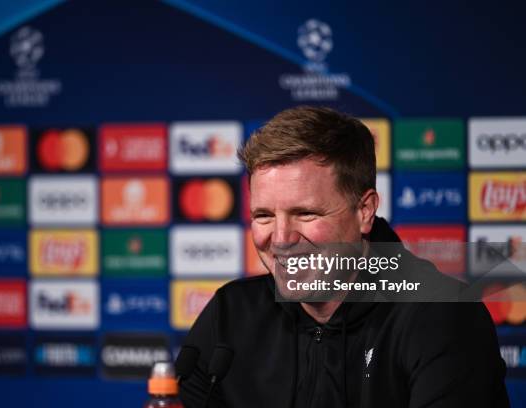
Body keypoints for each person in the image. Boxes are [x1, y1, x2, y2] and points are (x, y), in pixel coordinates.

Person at [178, 106, 509, 407]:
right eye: (264, 215)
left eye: (305, 213)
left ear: (364, 211)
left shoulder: (443, 316)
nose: (281, 238)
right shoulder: (230, 314)